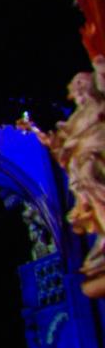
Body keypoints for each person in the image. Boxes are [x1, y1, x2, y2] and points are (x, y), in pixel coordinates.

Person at [17, 55, 105, 269]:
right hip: (83, 172)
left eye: (82, 89)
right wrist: (33, 128)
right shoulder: (76, 121)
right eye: (77, 91)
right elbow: (54, 141)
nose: (80, 96)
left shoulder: (96, 111)